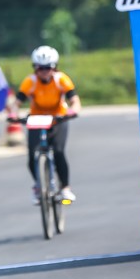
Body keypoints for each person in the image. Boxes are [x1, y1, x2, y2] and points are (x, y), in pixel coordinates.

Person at [15, 46, 81, 205]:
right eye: (40, 68)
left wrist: (73, 111)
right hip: (36, 119)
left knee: (58, 151)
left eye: (48, 68)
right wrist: (12, 114)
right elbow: (16, 103)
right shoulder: (30, 82)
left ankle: (65, 188)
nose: (44, 71)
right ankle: (39, 186)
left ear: (54, 67)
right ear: (35, 68)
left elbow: (75, 100)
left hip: (58, 118)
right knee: (32, 155)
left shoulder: (61, 79)